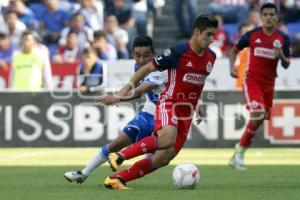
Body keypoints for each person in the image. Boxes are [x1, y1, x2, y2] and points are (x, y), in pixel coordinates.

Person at [98, 14, 218, 189]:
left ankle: (117, 179)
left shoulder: (211, 57)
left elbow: (198, 83)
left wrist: (197, 104)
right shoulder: (178, 52)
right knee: (167, 139)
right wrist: (120, 94)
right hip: (169, 103)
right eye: (208, 34)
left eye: (213, 35)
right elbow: (146, 68)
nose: (211, 39)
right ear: (197, 32)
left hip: (187, 112)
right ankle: (120, 155)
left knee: (164, 158)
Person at [64, 35, 167, 183]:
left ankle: (125, 173)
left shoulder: (161, 69)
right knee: (116, 144)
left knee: (162, 158)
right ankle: (84, 173)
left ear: (154, 54)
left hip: (167, 116)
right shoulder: (138, 67)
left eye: (146, 55)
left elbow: (139, 91)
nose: (141, 60)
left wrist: (116, 98)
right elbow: (135, 88)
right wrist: (119, 96)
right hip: (148, 114)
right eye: (137, 55)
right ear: (132, 54)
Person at [228, 3, 291, 170]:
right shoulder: (252, 35)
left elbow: (286, 65)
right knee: (258, 113)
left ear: (276, 17)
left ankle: (237, 154)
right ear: (261, 17)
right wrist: (231, 68)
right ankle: (240, 152)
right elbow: (233, 50)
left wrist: (282, 56)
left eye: (272, 14)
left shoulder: (283, 38)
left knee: (259, 119)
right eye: (266, 14)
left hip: (269, 84)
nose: (269, 17)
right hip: (252, 81)